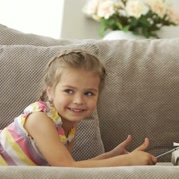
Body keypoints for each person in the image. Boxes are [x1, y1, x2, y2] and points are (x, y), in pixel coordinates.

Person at [0, 50, 157, 166]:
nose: (78, 100)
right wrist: (127, 161)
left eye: (88, 93)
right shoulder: (39, 119)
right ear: (50, 91)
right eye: (69, 91)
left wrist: (110, 156)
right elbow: (66, 168)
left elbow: (70, 167)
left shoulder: (67, 127)